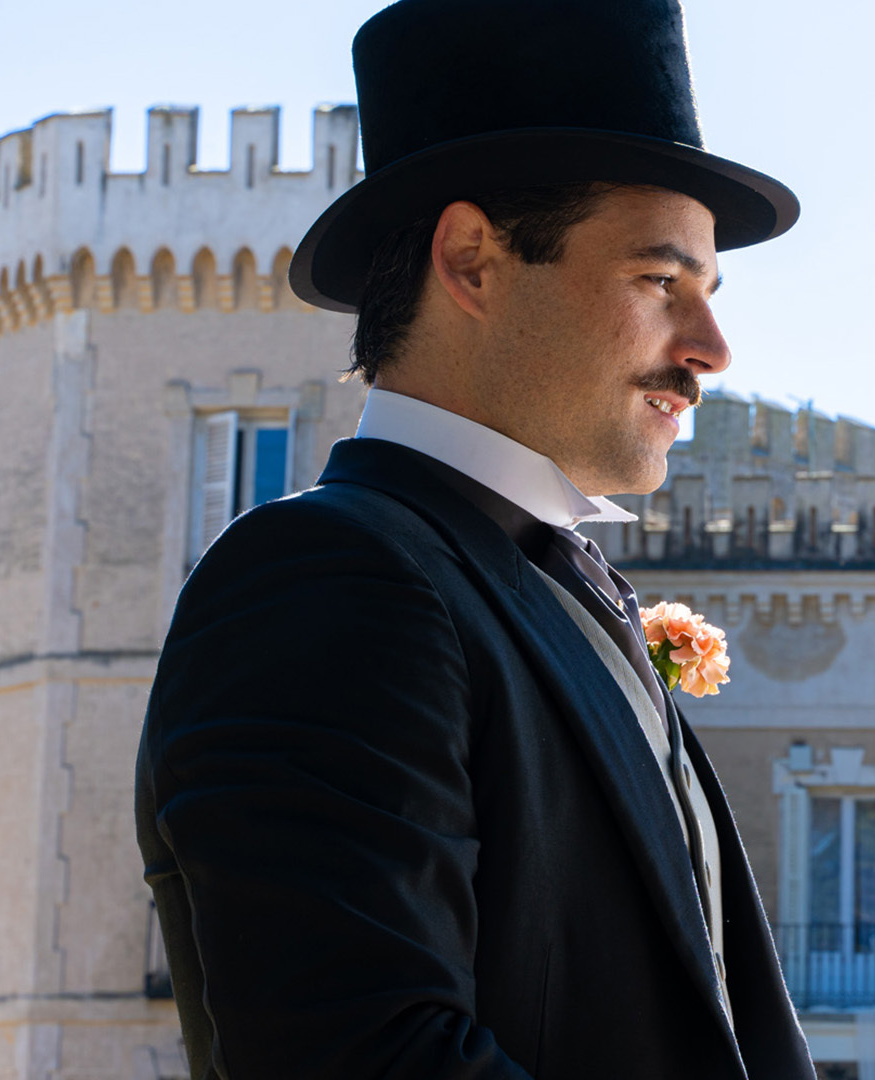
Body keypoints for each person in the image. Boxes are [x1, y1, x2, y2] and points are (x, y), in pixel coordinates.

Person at [133, 1, 812, 1077]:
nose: (713, 348)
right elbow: (367, 1056)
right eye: (660, 280)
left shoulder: (535, 580)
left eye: (710, 292)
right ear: (473, 261)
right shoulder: (326, 582)